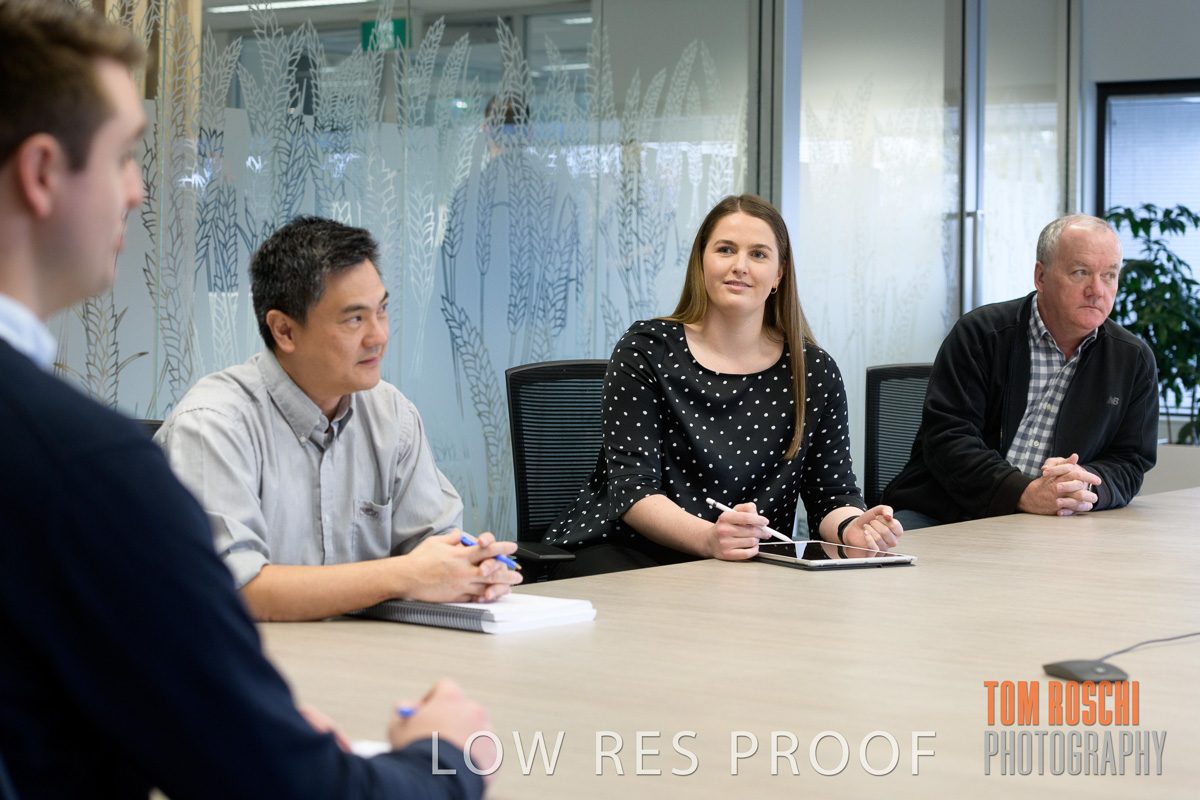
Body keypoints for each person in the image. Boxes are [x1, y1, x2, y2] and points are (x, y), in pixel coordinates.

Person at [0, 1, 492, 796]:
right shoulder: (80, 464)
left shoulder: (390, 413)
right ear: (43, 173)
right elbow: (278, 783)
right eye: (125, 156)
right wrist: (446, 762)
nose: (139, 192)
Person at [156, 216, 521, 621]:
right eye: (354, 319)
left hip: (366, 652)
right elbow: (236, 590)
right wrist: (404, 574)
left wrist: (473, 570)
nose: (378, 336)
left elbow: (436, 549)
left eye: (382, 311)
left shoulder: (392, 414)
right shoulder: (211, 425)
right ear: (284, 331)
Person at [544, 194, 903, 576]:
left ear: (779, 275)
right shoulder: (646, 351)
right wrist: (709, 539)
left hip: (744, 563)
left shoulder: (813, 370)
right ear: (701, 263)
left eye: (758, 254)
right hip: (627, 552)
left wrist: (852, 528)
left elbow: (832, 494)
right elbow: (633, 490)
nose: (739, 266)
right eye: (725, 249)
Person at [883, 214, 1158, 529]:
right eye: (1081, 272)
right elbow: (948, 438)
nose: (1096, 290)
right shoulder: (981, 335)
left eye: (1109, 275)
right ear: (1041, 276)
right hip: (945, 511)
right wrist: (1022, 493)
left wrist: (1084, 485)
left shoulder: (1133, 360)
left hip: (1055, 523)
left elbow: (1130, 460)